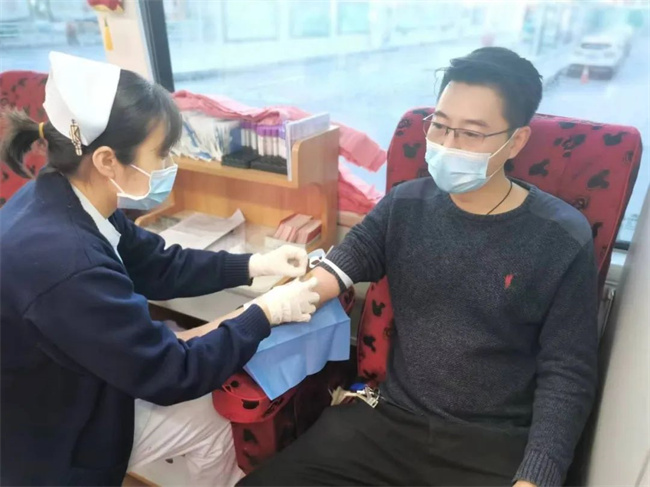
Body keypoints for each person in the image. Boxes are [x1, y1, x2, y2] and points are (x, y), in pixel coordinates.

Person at [239, 47, 599, 487]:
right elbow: (334, 272)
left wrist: (537, 477)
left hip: (491, 444)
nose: (448, 145)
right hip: (390, 422)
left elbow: (568, 374)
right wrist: (248, 317)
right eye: (440, 126)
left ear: (517, 141)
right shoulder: (405, 206)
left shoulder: (561, 237)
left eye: (471, 133)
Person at [0, 52, 319, 486]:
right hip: (51, 438)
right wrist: (265, 313)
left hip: (62, 383)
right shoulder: (70, 265)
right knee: (210, 416)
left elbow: (159, 264)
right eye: (161, 154)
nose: (167, 167)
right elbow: (174, 372)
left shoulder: (64, 196)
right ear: (107, 161)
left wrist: (254, 264)